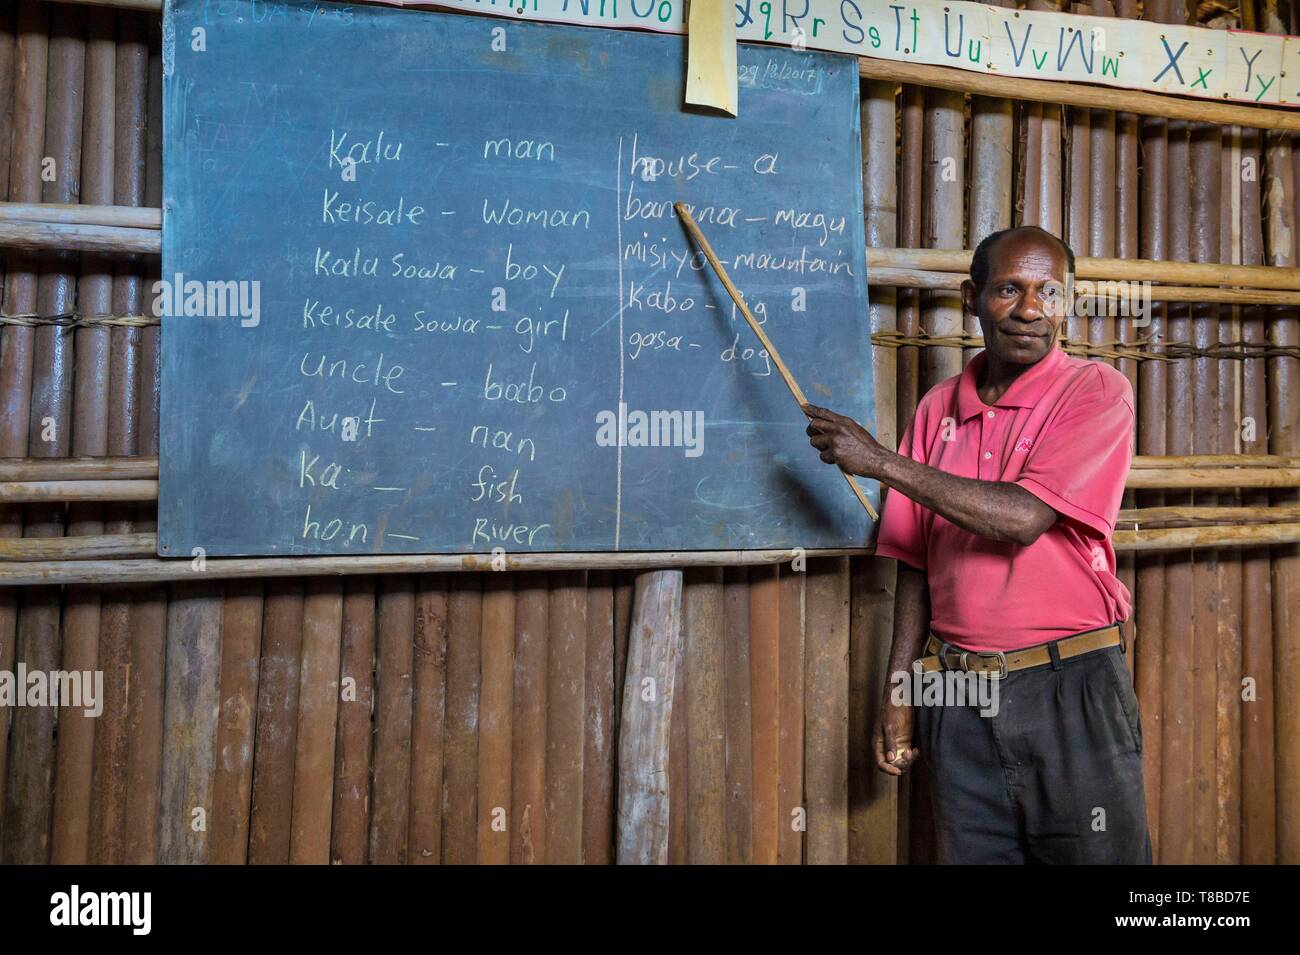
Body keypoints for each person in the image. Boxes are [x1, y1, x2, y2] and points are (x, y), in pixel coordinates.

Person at [803, 225, 1151, 864]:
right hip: (958, 693)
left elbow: (1021, 518)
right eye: (1009, 289)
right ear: (972, 297)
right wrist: (901, 695)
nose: (1030, 309)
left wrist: (880, 462)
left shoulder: (1096, 391)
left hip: (1070, 684)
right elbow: (914, 562)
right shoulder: (939, 407)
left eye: (1050, 291)